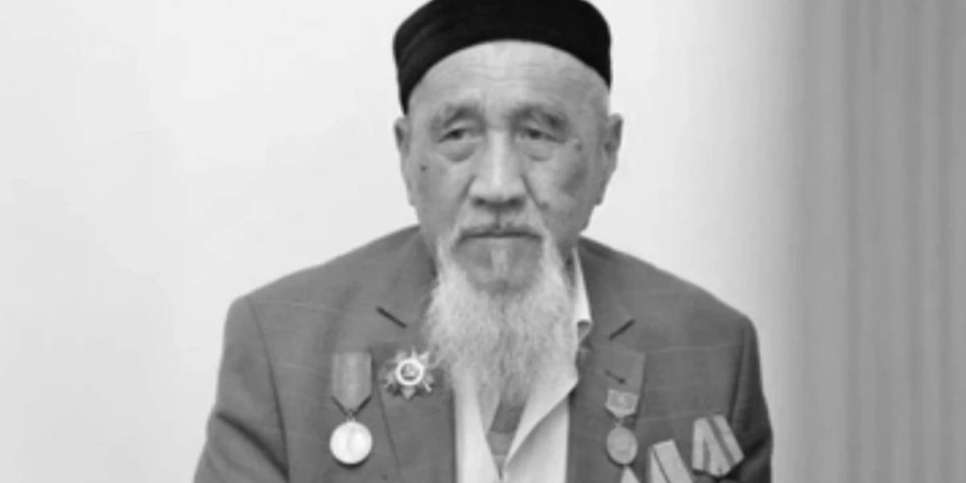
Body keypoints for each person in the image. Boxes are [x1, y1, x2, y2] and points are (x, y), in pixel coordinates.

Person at [194, 1, 772, 482]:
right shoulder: (282, 348)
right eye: (458, 135)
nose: (498, 186)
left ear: (606, 153)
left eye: (538, 133)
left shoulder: (713, 354)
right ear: (407, 156)